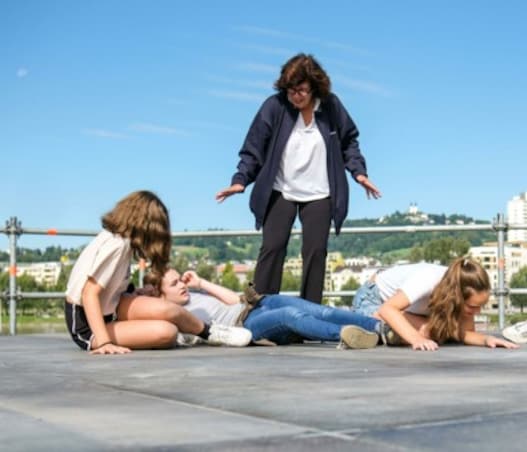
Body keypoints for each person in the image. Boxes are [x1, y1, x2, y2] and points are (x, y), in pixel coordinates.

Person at [215, 53, 380, 304]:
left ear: (315, 87)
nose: (296, 96)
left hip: (320, 193)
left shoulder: (331, 107)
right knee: (272, 247)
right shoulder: (274, 106)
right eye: (291, 90)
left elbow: (349, 143)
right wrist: (240, 180)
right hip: (281, 190)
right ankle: (261, 310)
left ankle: (309, 313)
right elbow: (254, 146)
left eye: (301, 90)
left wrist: (359, 173)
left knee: (315, 252)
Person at [64, 190, 252, 354]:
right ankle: (193, 333)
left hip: (112, 308)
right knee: (166, 332)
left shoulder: (121, 241)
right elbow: (89, 293)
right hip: (88, 325)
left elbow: (108, 288)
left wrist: (133, 294)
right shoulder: (116, 244)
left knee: (169, 309)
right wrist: (103, 343)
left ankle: (211, 333)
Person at [147, 268, 385, 349]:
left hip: (257, 303)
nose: (181, 285)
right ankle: (349, 336)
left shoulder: (193, 294)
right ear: (159, 295)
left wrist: (201, 283)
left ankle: (379, 327)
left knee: (319, 310)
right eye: (174, 283)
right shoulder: (177, 317)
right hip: (245, 325)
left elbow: (235, 300)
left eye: (180, 279)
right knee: (291, 316)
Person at [352, 257, 519, 352]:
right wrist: (416, 339)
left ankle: (390, 331)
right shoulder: (428, 280)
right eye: (472, 307)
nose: (477, 312)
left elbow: (462, 334)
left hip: (404, 311)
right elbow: (387, 308)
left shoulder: (462, 289)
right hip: (374, 300)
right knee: (431, 332)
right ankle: (381, 328)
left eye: (481, 306)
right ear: (456, 296)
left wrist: (487, 339)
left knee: (441, 332)